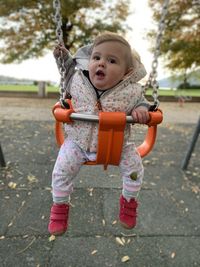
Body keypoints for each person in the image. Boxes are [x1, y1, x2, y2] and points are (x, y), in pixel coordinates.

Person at [48, 32, 150, 235]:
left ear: (127, 72)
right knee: (61, 171)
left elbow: (143, 103)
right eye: (97, 58)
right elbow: (67, 69)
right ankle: (59, 206)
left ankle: (129, 201)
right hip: (77, 143)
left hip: (117, 144)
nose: (101, 64)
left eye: (112, 60)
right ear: (89, 61)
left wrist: (142, 110)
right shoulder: (77, 81)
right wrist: (61, 55)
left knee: (135, 169)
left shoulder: (132, 91)